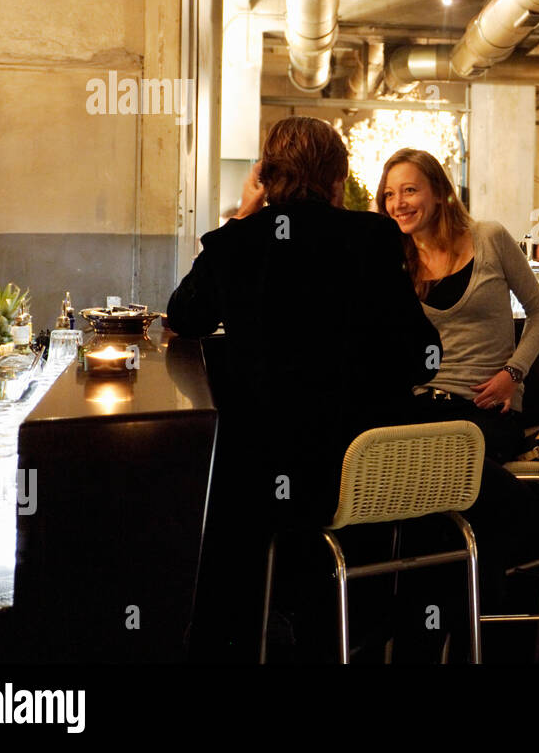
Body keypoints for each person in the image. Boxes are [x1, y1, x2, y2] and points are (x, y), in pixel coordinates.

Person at [165, 116, 442, 662]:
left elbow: (183, 315)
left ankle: (255, 629)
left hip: (261, 479)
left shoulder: (238, 243)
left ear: (265, 176)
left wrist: (244, 214)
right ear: (338, 178)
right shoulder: (371, 237)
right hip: (365, 472)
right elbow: (423, 357)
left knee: (224, 501)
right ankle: (349, 629)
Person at [377, 148, 539, 463]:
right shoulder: (396, 260)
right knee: (376, 458)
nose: (397, 203)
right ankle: (517, 504)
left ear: (440, 193)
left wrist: (513, 373)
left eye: (410, 190)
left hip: (488, 408)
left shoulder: (490, 237)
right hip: (424, 406)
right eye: (389, 194)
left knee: (444, 458)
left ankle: (519, 506)